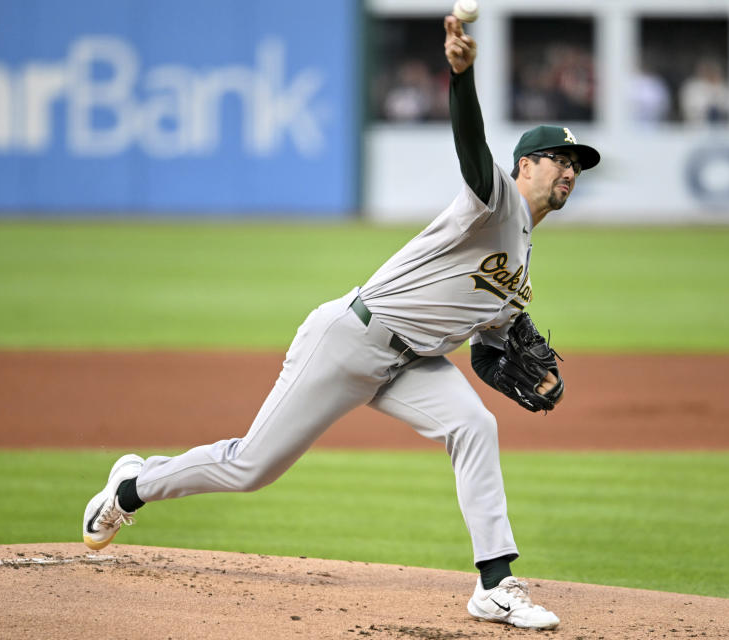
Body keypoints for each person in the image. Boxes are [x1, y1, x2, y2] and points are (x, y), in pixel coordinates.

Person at [82, 14, 599, 631]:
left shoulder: (521, 273)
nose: (569, 170)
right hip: (351, 338)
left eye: (577, 163)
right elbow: (469, 143)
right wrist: (461, 76)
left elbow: (489, 352)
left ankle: (495, 584)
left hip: (409, 363)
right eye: (558, 158)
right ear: (525, 165)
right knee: (251, 468)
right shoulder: (495, 202)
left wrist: (521, 378)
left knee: (473, 426)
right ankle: (131, 487)